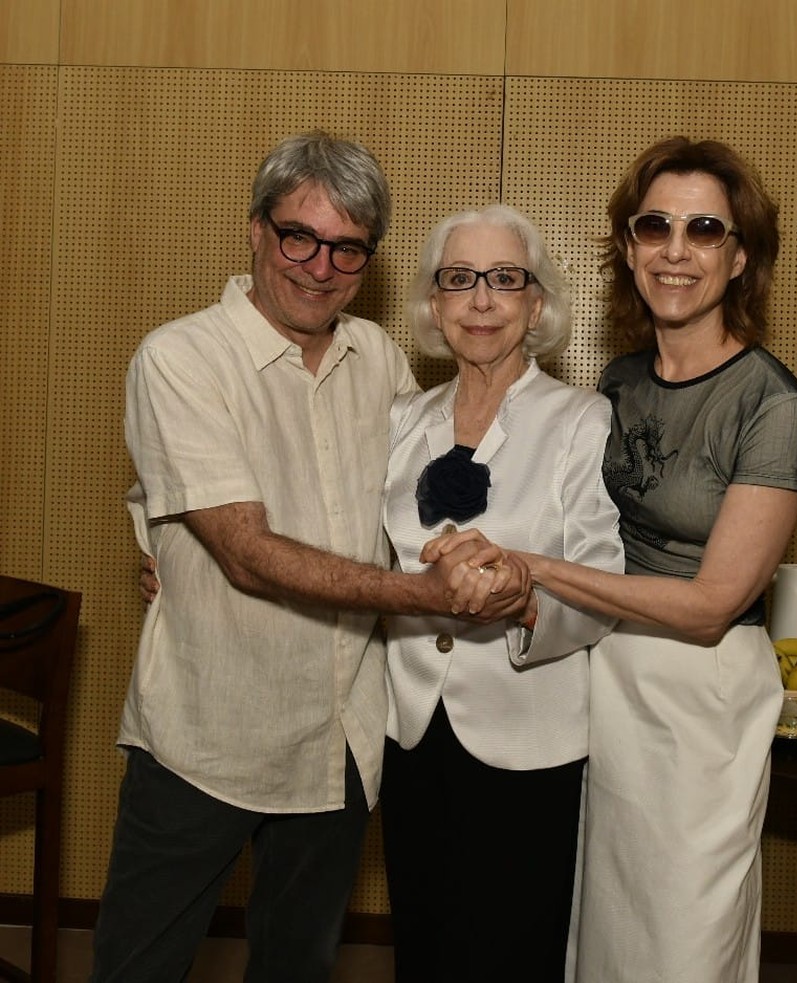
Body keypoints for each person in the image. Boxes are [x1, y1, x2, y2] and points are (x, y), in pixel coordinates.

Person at [91, 132, 530, 983]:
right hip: (206, 730)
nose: (319, 266)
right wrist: (421, 592)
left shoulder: (382, 361)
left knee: (296, 966)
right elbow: (248, 554)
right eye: (299, 235)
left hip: (340, 738)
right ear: (255, 230)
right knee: (135, 967)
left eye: (347, 248)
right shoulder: (182, 358)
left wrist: (506, 557)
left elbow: (419, 509)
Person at [429, 137, 797, 983]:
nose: (676, 251)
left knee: (684, 938)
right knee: (603, 936)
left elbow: (713, 604)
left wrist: (533, 566)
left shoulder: (772, 403)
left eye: (705, 228)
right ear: (630, 247)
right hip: (602, 689)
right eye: (655, 226)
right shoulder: (620, 382)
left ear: (740, 254)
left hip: (701, 699)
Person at [380, 204, 624, 983]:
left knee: (512, 950)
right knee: (424, 938)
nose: (481, 300)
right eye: (459, 280)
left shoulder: (583, 423)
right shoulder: (400, 421)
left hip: (530, 735)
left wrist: (524, 599)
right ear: (434, 305)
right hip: (413, 727)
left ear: (537, 303)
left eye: (504, 280)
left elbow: (604, 585)